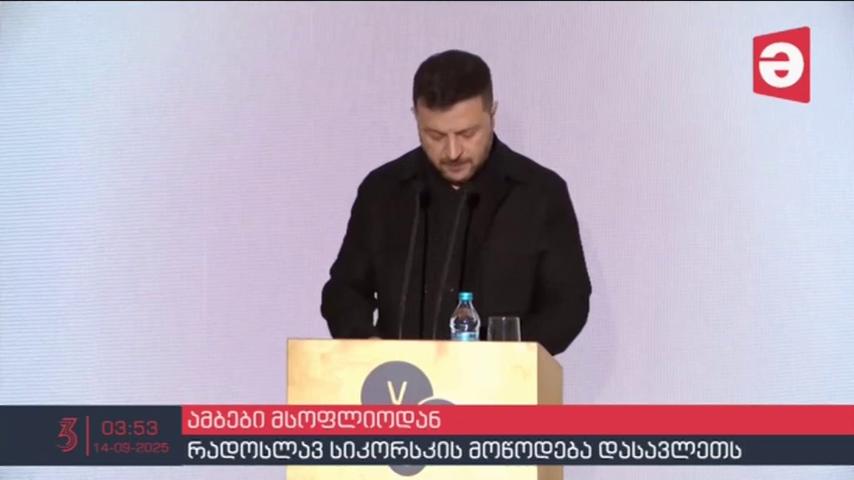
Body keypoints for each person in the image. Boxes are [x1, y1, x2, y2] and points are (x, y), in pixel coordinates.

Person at [320, 49, 591, 355]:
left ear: (493, 114)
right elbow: (343, 290)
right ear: (415, 117)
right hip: (398, 379)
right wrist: (368, 347)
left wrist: (508, 359)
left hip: (502, 380)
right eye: (435, 135)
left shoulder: (540, 193)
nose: (452, 152)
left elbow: (568, 304)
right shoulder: (383, 190)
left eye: (467, 133)